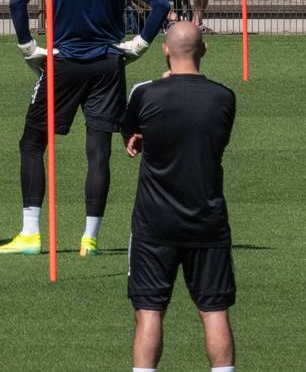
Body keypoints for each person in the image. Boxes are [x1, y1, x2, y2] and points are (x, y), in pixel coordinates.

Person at [0, 0, 171, 257]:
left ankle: (31, 234)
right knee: (99, 149)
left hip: (63, 63)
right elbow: (161, 3)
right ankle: (90, 238)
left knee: (32, 144)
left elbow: (17, 0)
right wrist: (139, 44)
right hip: (108, 63)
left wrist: (28, 46)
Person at [122, 21, 237, 372]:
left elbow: (131, 134)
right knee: (214, 311)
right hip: (207, 221)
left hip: (154, 223)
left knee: (149, 311)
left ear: (165, 50)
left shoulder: (145, 94)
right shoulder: (224, 97)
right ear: (204, 49)